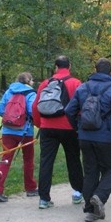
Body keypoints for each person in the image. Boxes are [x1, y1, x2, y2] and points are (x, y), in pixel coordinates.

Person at [65, 58, 111, 222]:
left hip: (85, 136)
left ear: (95, 69)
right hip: (106, 137)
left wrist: (78, 127)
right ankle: (99, 197)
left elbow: (69, 110)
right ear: (110, 71)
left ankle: (90, 209)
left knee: (90, 172)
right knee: (110, 169)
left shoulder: (83, 87)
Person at [32, 56, 84, 209]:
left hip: (47, 127)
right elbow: (80, 106)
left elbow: (36, 106)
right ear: (69, 66)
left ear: (55, 67)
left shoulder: (45, 83)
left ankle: (44, 198)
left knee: (46, 162)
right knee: (73, 160)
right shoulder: (75, 83)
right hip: (68, 126)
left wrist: (39, 124)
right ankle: (77, 192)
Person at [0, 72, 37, 202]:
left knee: (5, 160)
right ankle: (30, 188)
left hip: (8, 131)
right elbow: (32, 111)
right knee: (28, 160)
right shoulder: (31, 93)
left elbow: (0, 110)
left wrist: (11, 117)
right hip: (25, 132)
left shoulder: (9, 91)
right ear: (29, 81)